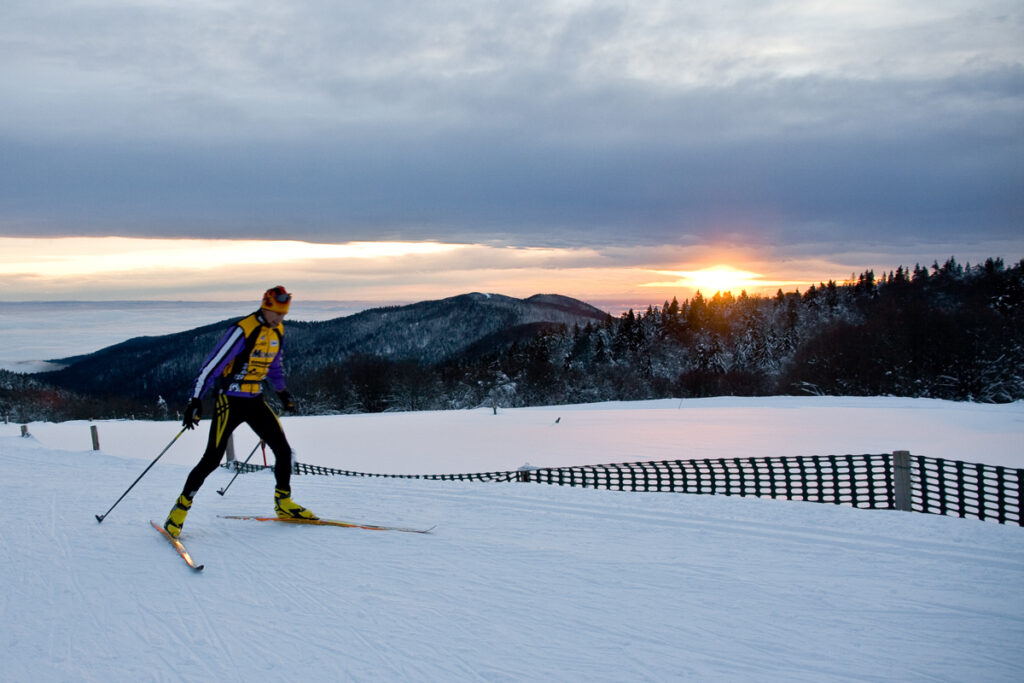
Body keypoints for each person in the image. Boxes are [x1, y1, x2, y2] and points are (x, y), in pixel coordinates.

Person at [163, 285, 316, 537]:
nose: (279, 318)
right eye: (276, 313)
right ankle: (179, 510)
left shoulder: (277, 330)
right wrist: (195, 401)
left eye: (283, 314)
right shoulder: (243, 330)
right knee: (212, 459)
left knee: (283, 450)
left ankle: (284, 503)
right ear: (266, 307)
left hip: (254, 399)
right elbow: (210, 366)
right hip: (229, 401)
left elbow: (274, 364)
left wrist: (282, 392)